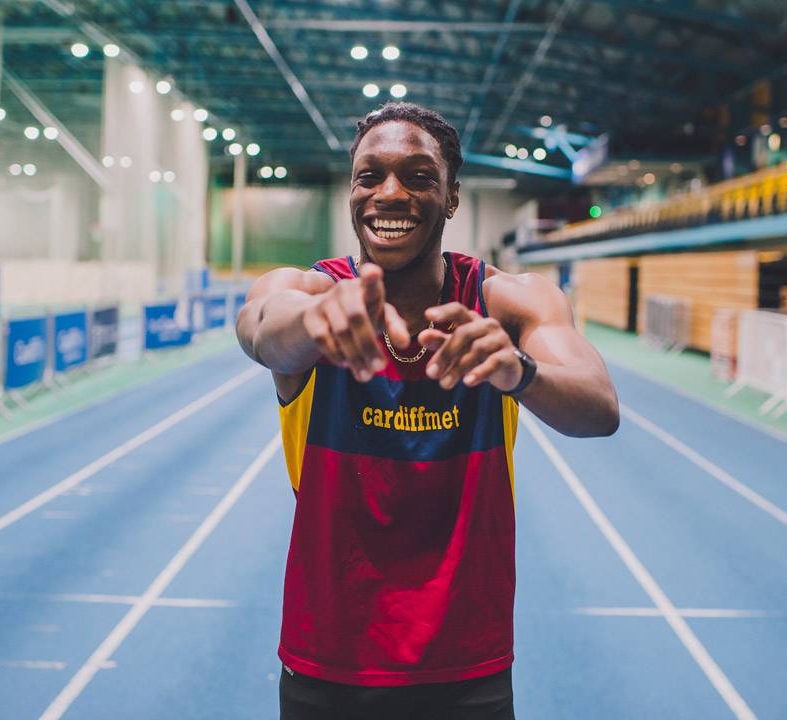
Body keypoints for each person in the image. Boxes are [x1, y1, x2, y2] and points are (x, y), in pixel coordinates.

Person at [236, 102, 619, 720]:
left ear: (451, 199)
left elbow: (598, 405)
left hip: (467, 662)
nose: (390, 193)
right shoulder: (308, 293)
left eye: (418, 176)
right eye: (370, 176)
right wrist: (313, 323)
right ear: (351, 191)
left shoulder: (508, 302)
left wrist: (517, 371)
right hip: (328, 661)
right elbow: (259, 329)